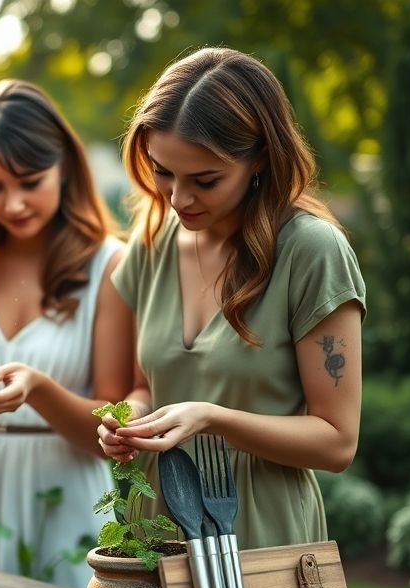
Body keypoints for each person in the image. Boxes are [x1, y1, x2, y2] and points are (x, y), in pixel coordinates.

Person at [97, 48, 365, 549]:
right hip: (155, 526)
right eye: (163, 172)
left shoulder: (311, 251)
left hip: (261, 535)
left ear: (260, 157)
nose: (178, 199)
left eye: (206, 180)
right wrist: (129, 420)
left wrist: (213, 419)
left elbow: (337, 441)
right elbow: (146, 385)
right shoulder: (152, 240)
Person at [0, 80, 132, 588]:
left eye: (30, 182)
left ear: (65, 168)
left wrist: (39, 390)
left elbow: (112, 432)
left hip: (66, 498)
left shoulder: (109, 266)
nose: (13, 204)